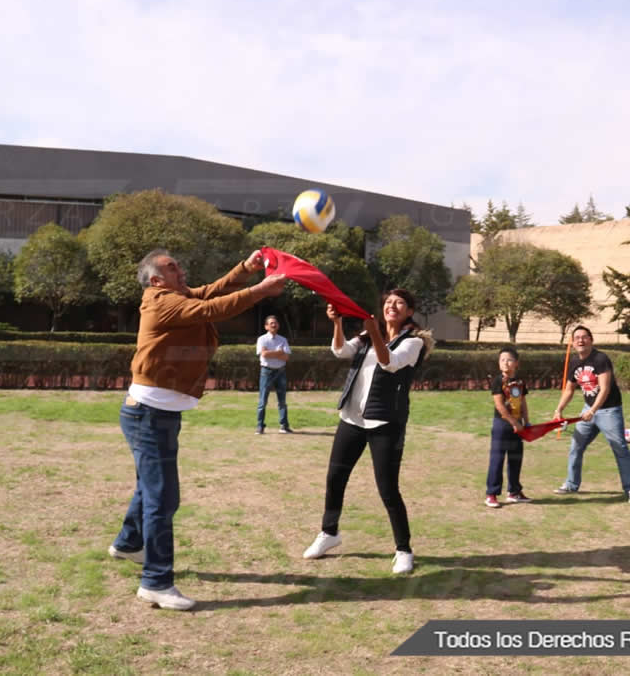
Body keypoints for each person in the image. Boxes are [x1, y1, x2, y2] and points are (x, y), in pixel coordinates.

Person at [108, 248, 286, 610]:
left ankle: (128, 543)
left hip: (156, 413)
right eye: (173, 267)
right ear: (156, 279)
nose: (181, 268)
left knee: (149, 486)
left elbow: (211, 292)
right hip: (149, 414)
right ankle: (155, 582)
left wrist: (246, 269)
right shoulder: (160, 302)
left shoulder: (174, 295)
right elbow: (211, 309)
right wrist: (261, 291)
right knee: (163, 498)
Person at [302, 289, 433, 574]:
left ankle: (403, 549)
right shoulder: (365, 338)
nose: (391, 306)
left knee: (387, 488)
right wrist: (337, 323)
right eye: (388, 302)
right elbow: (340, 351)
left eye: (399, 303)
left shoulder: (414, 343)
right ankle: (329, 533)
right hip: (352, 418)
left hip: (386, 423)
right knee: (335, 478)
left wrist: (374, 331)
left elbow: (390, 363)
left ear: (410, 311)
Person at [551, 325, 630, 504]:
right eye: (577, 337)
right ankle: (571, 484)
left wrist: (593, 411)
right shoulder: (575, 363)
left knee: (620, 448)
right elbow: (569, 389)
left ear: (591, 340)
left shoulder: (600, 359)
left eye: (584, 337)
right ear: (572, 342)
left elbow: (605, 388)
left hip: (609, 410)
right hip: (589, 409)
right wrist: (559, 409)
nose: (580, 340)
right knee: (576, 446)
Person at [485, 346, 531, 508]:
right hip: (502, 425)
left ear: (516, 363)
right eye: (502, 360)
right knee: (497, 459)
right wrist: (515, 423)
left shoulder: (519, 381)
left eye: (509, 360)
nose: (505, 363)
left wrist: (526, 421)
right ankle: (491, 494)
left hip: (518, 425)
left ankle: (514, 492)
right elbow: (500, 406)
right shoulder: (498, 381)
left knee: (515, 459)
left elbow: (523, 402)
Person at [255, 314, 292, 434]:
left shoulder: (283, 339)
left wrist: (272, 353)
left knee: (282, 401)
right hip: (266, 372)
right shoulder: (262, 339)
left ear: (278, 325)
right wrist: (279, 352)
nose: (274, 325)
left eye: (275, 323)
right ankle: (260, 426)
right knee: (262, 401)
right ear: (266, 326)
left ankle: (284, 426)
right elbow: (264, 354)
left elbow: (286, 357)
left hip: (281, 371)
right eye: (271, 323)